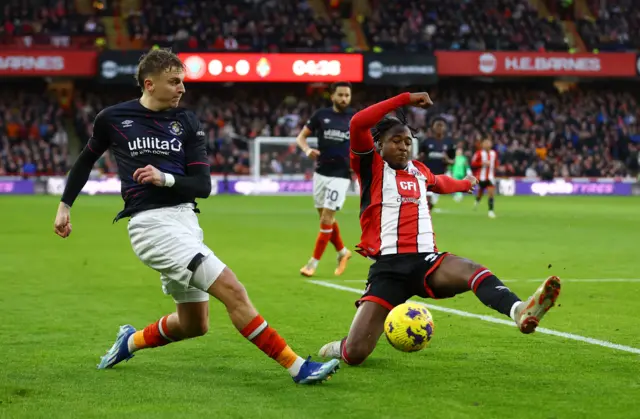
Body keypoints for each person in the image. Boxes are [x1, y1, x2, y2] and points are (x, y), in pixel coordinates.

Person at [52, 48, 339, 384]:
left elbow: (203, 185)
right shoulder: (113, 118)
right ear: (149, 84)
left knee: (193, 324)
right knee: (232, 289)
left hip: (186, 221)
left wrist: (165, 178)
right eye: (174, 81)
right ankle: (297, 367)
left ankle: (128, 341)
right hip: (151, 226)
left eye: (183, 81)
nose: (182, 88)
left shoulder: (186, 122)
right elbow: (86, 160)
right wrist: (64, 205)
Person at [317, 92, 561, 366]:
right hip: (388, 269)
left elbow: (441, 183)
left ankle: (519, 310)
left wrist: (466, 183)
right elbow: (358, 123)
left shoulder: (419, 171)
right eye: (395, 141)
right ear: (379, 144)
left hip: (426, 261)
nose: (403, 146)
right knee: (357, 353)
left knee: (471, 270)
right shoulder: (371, 167)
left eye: (408, 142)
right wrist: (406, 99)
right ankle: (342, 347)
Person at [296, 82, 355, 277]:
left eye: (347, 95)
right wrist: (307, 150)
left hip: (341, 175)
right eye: (340, 95)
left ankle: (312, 264)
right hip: (321, 173)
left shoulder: (355, 118)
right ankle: (343, 252)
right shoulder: (321, 116)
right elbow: (301, 138)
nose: (344, 99)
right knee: (326, 220)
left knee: (326, 219)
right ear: (333, 96)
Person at [419, 116, 455, 212]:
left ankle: (425, 213)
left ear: (445, 128)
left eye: (441, 125)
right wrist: (420, 158)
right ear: (433, 127)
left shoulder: (449, 143)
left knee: (431, 202)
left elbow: (453, 161)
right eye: (437, 125)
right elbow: (419, 157)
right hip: (427, 174)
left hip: (441, 176)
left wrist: (447, 159)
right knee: (427, 199)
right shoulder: (426, 142)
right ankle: (424, 217)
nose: (439, 127)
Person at [471, 137, 498, 218]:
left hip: (490, 177)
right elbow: (473, 163)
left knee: (491, 193)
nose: (487, 145)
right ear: (482, 145)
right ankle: (477, 201)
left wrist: (496, 167)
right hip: (481, 177)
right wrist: (482, 164)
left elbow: (496, 163)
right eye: (485, 143)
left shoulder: (494, 153)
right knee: (481, 191)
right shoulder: (479, 153)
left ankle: (491, 211)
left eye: (488, 143)